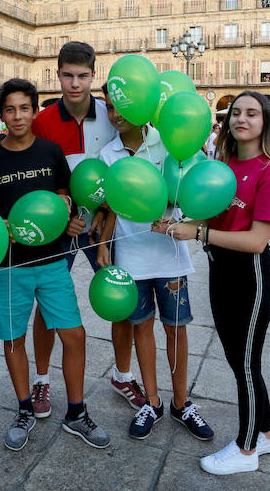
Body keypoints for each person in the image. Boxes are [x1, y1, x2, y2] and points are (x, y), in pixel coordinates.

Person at [152, 91, 270, 474]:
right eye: (235, 113)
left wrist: (197, 236)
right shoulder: (224, 166)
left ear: (265, 122)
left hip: (252, 276)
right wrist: (181, 225)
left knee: (246, 363)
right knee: (237, 360)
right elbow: (213, 219)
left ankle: (247, 451)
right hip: (221, 273)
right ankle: (268, 431)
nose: (241, 119)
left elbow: (255, 241)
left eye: (251, 113)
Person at [0, 78, 110, 451]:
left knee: (75, 334)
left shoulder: (51, 153)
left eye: (24, 108)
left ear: (36, 111)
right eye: (10, 109)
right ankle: (23, 409)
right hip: (9, 266)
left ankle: (77, 412)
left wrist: (69, 219)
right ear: (1, 114)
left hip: (52, 261)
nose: (17, 116)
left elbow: (64, 198)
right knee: (13, 337)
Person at [97, 85, 213, 442]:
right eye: (111, 108)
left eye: (123, 106)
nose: (116, 115)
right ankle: (152, 400)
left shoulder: (167, 141)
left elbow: (192, 185)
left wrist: (181, 216)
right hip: (131, 255)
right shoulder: (108, 153)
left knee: (176, 329)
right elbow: (113, 204)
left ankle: (182, 402)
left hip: (170, 254)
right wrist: (104, 242)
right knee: (141, 328)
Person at [29, 41, 126, 416]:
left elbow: (123, 171)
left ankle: (123, 373)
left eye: (82, 76)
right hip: (60, 225)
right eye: (67, 75)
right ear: (57, 74)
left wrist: (108, 213)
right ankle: (41, 381)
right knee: (48, 305)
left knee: (119, 291)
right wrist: (61, 214)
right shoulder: (43, 120)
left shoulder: (112, 115)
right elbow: (41, 178)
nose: (74, 83)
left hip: (104, 222)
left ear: (93, 75)